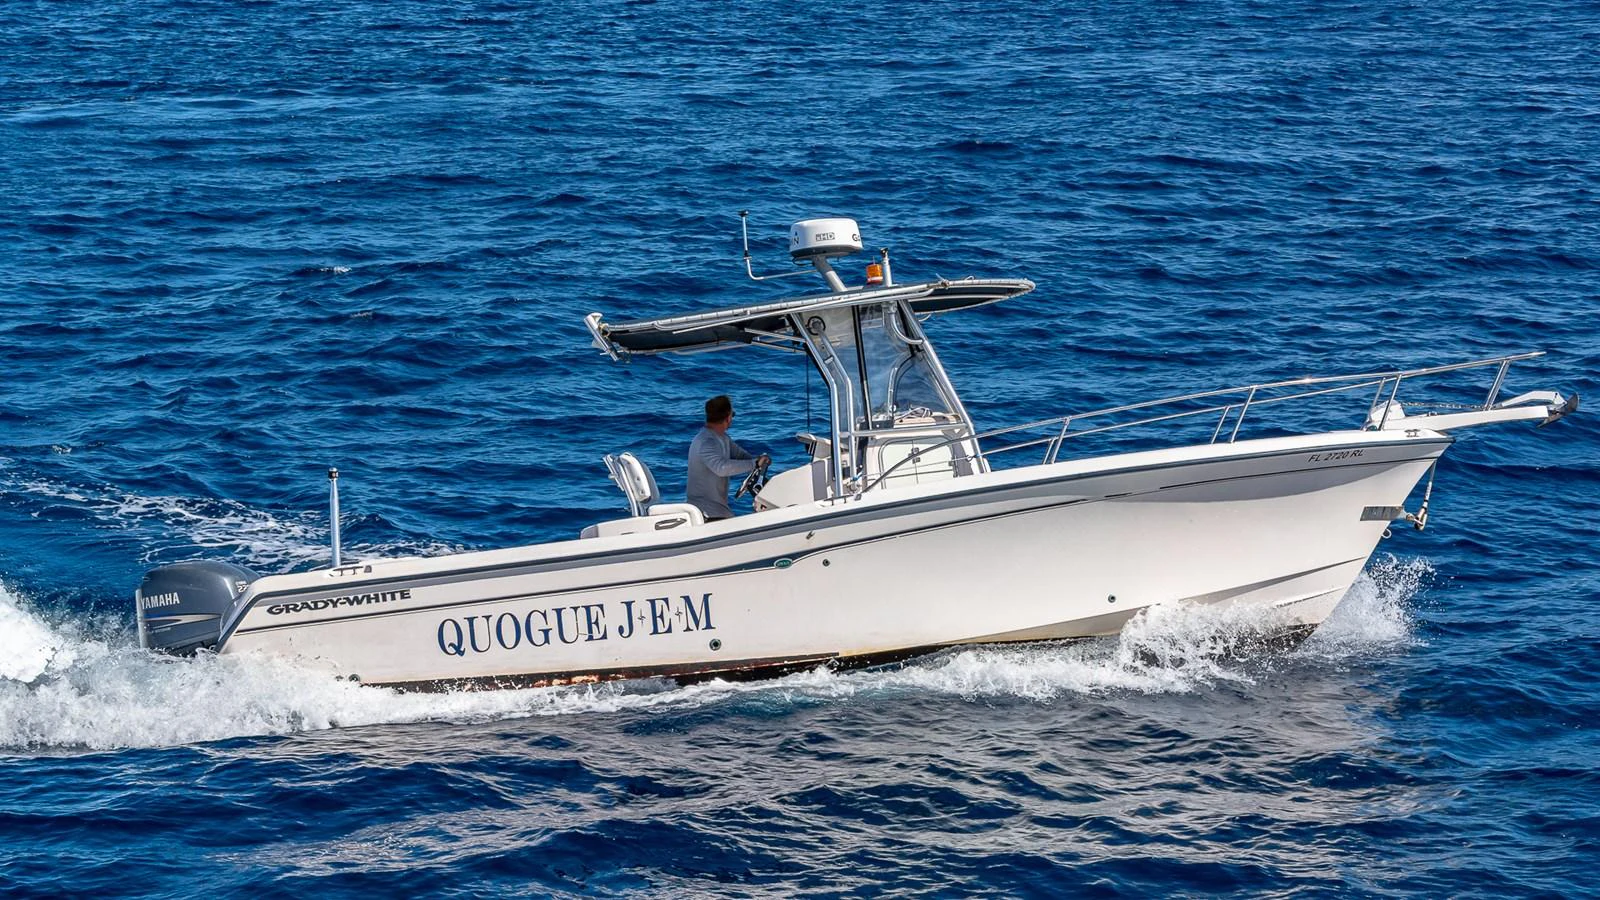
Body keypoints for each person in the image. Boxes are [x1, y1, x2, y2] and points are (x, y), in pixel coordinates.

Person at [687, 395, 769, 520]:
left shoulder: (722, 438)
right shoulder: (706, 441)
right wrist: (754, 464)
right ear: (728, 417)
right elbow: (721, 468)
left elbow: (742, 456)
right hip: (706, 514)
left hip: (719, 511)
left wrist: (759, 460)